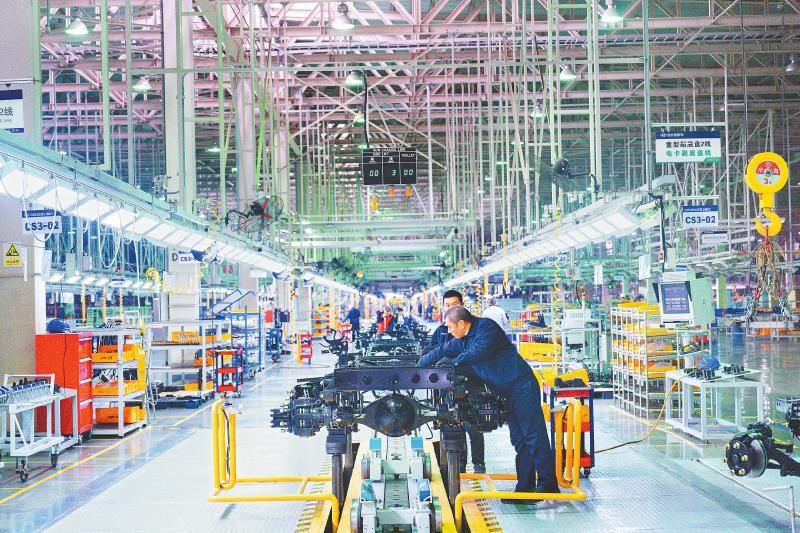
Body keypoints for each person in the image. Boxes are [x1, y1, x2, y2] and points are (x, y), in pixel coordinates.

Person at [418, 305, 558, 504]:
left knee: (533, 436)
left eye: (450, 327)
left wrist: (454, 363)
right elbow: (442, 349)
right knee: (520, 440)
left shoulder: (486, 328)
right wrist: (418, 367)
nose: (448, 331)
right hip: (506, 392)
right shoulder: (462, 339)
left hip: (521, 387)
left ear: (461, 323)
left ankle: (549, 485)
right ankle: (526, 490)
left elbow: (478, 352)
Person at [425, 290, 486, 474]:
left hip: (472, 382)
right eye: (448, 305)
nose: (451, 308)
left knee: (474, 425)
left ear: (462, 305)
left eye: (455, 304)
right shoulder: (441, 331)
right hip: (447, 386)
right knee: (453, 425)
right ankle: (459, 466)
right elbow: (432, 354)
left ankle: (479, 464)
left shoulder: (475, 328)